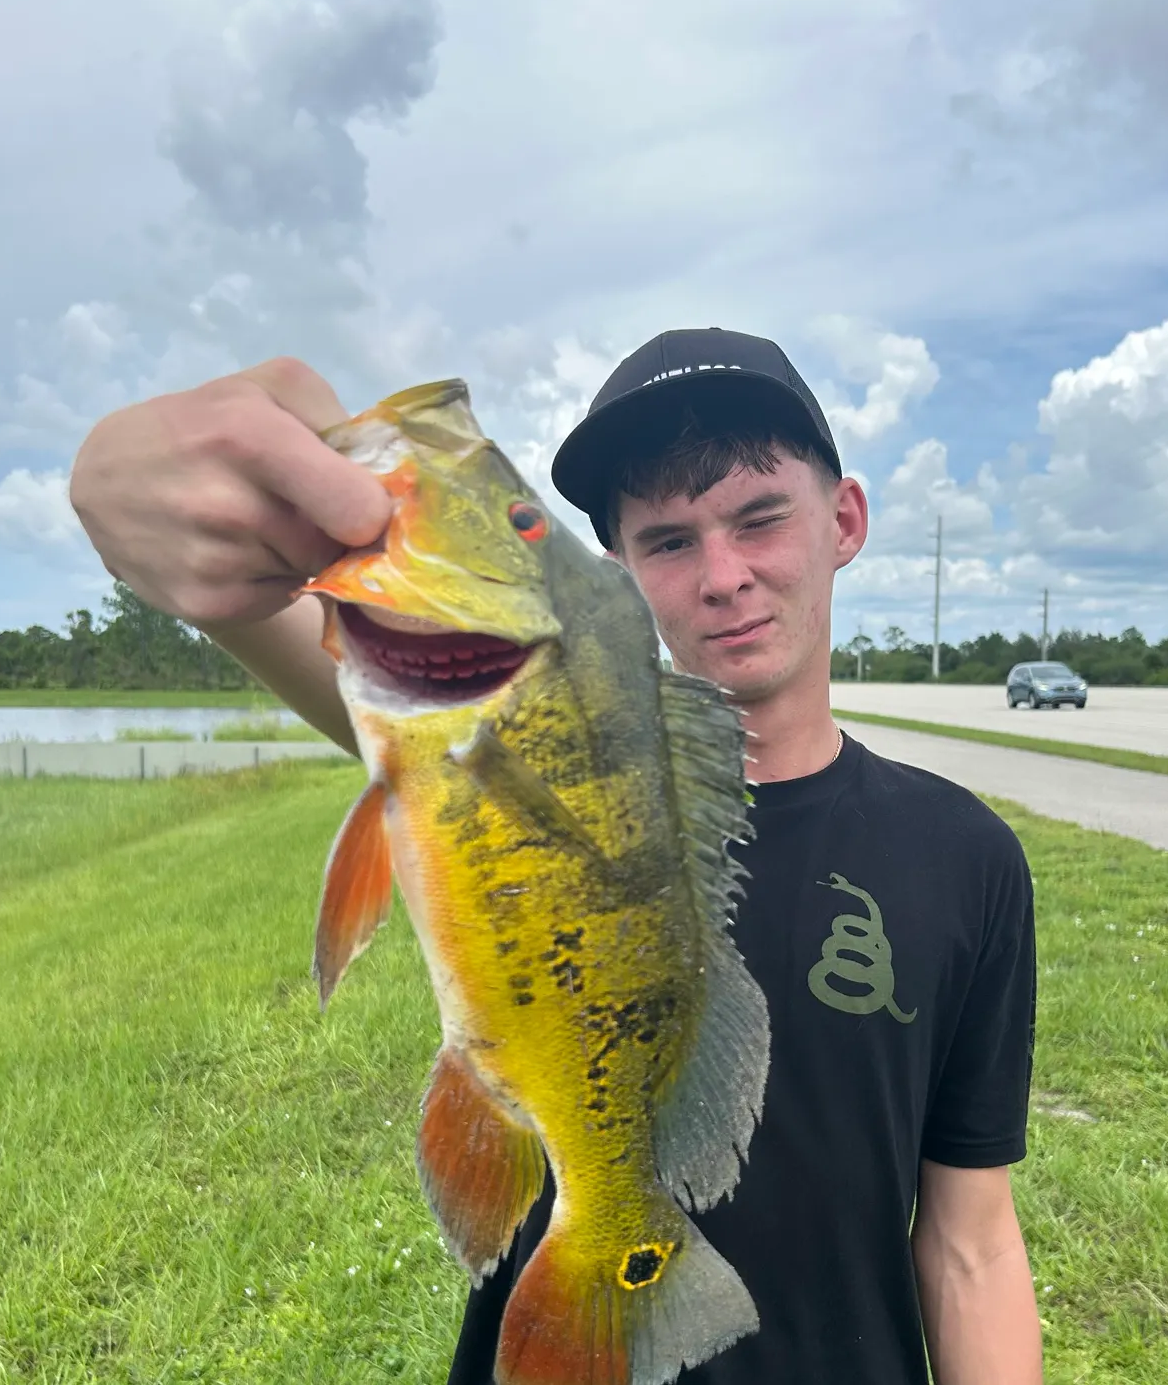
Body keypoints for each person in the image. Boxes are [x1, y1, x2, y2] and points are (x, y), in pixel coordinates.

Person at [71, 328, 1043, 1384]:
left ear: (843, 521)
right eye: (668, 541)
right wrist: (122, 481)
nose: (725, 577)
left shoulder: (967, 856)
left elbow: (973, 1240)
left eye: (760, 519)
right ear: (615, 573)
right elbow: (272, 606)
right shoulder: (470, 736)